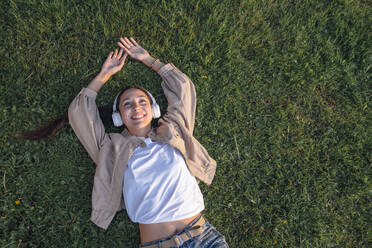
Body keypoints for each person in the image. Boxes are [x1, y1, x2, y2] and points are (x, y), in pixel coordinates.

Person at [23, 37, 229, 247]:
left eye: (142, 102)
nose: (137, 107)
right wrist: (104, 75)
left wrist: (149, 60)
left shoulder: (174, 131)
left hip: (206, 238)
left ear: (154, 109)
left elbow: (183, 88)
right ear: (118, 117)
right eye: (127, 104)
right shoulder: (111, 148)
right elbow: (79, 113)